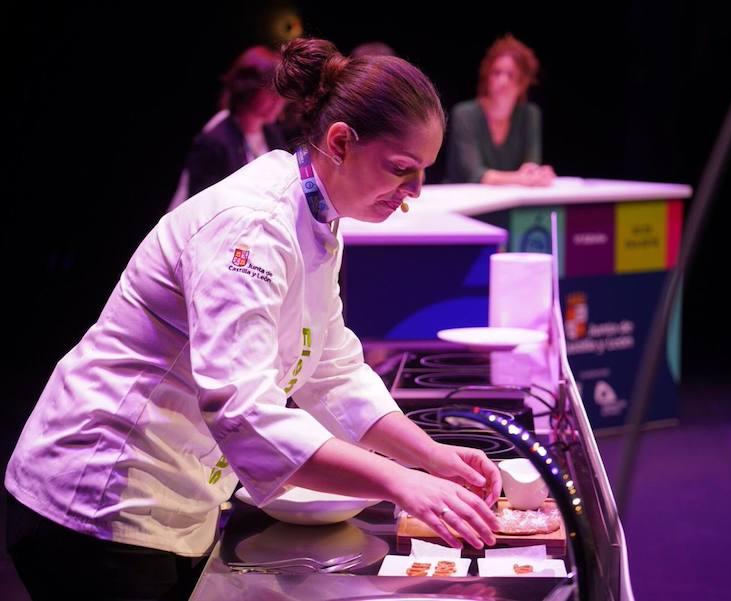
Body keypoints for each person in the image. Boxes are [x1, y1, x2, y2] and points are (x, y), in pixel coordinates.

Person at [5, 37, 501, 600]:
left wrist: (431, 458)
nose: (414, 191)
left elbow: (333, 371)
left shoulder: (316, 216)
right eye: (402, 169)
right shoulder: (253, 224)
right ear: (340, 142)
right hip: (95, 501)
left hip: (167, 500)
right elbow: (242, 409)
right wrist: (400, 482)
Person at [167, 46, 289, 211]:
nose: (279, 100)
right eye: (272, 91)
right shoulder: (215, 141)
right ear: (248, 88)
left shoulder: (272, 135)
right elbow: (201, 209)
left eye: (281, 92)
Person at [445, 34, 555, 186]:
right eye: (496, 73)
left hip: (510, 198)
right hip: (464, 199)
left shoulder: (530, 114)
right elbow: (475, 173)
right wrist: (522, 179)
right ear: (487, 77)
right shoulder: (465, 114)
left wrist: (537, 173)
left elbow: (530, 165)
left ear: (522, 83)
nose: (502, 81)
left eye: (510, 75)